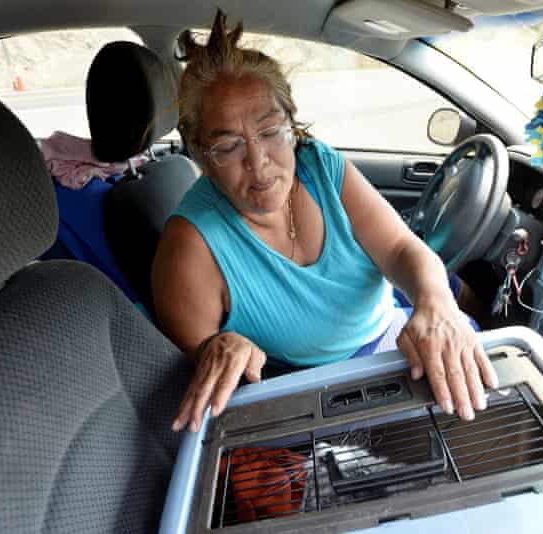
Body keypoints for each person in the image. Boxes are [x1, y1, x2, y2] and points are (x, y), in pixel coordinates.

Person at [152, 10, 498, 433]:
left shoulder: (322, 167)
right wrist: (215, 347)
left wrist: (436, 304)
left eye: (270, 132)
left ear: (291, 124)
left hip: (394, 339)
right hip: (317, 398)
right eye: (228, 146)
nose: (259, 164)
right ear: (199, 153)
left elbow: (399, 248)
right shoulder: (190, 243)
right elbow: (195, 375)